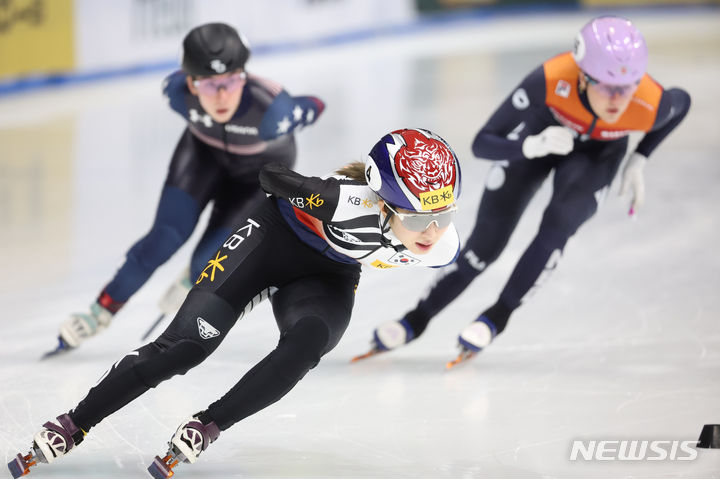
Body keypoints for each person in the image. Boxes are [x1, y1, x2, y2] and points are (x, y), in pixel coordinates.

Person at [8, 128, 462, 478]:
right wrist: (301, 189)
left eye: (443, 215)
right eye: (420, 217)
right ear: (382, 204)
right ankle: (74, 422)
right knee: (185, 347)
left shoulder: (440, 244)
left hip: (328, 276)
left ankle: (207, 425)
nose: (433, 232)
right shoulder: (343, 203)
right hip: (272, 241)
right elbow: (270, 177)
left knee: (306, 348)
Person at [364, 16, 691, 362]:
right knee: (485, 246)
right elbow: (482, 143)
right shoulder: (550, 79)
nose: (617, 100)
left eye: (626, 88)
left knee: (559, 223)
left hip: (599, 155)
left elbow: (681, 102)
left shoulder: (649, 103)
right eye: (606, 87)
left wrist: (641, 156)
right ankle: (417, 318)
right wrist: (529, 146)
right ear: (582, 76)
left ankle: (495, 317)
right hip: (540, 139)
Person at [52, 22, 326, 353]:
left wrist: (301, 109)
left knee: (206, 264)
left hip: (255, 177)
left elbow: (316, 103)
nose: (222, 95)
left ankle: (188, 278)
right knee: (162, 240)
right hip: (202, 159)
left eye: (231, 81)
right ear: (191, 85)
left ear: (244, 75)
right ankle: (97, 313)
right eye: (210, 86)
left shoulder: (272, 112)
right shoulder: (175, 93)